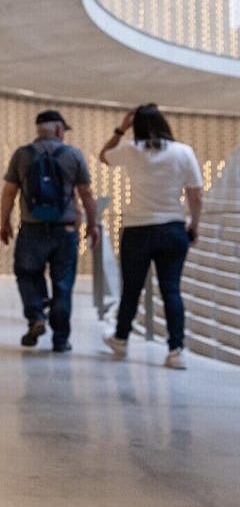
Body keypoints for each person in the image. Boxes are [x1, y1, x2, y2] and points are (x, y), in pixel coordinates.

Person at [98, 104, 203, 370]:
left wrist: (121, 128)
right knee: (171, 290)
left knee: (131, 289)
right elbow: (195, 194)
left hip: (137, 229)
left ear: (137, 127)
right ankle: (175, 350)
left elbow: (103, 156)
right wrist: (194, 225)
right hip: (172, 228)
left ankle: (121, 339)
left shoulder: (131, 150)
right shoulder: (184, 152)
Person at [0, 110, 100, 352]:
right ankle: (61, 339)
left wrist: (5, 222)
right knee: (63, 283)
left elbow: (9, 193)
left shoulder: (22, 155)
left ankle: (36, 316)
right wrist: (92, 224)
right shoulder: (73, 155)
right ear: (57, 129)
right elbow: (86, 193)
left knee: (27, 274)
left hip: (31, 229)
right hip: (64, 231)